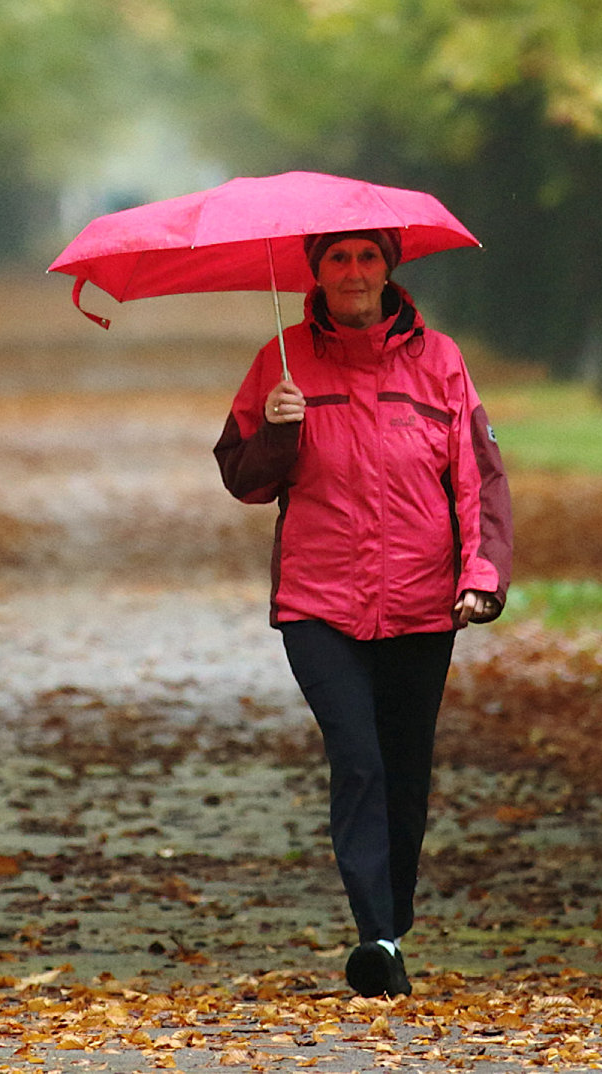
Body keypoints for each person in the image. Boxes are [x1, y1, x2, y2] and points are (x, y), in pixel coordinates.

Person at [214, 226, 514, 998]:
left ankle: (392, 921)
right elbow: (245, 480)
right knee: (358, 759)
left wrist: (480, 573)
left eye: (367, 258)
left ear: (390, 269)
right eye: (338, 259)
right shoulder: (281, 362)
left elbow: (477, 475)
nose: (354, 272)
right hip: (319, 601)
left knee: (405, 769)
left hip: (422, 598)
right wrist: (279, 431)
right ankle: (374, 933)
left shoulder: (440, 360)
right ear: (316, 273)